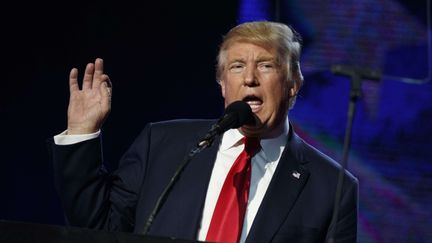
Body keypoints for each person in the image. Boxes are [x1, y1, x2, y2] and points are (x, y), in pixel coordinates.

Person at [50, 21, 358, 243]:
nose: (249, 78)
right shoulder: (162, 144)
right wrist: (81, 133)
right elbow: (98, 226)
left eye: (266, 66)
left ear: (293, 84)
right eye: (237, 67)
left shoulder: (332, 187)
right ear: (223, 85)